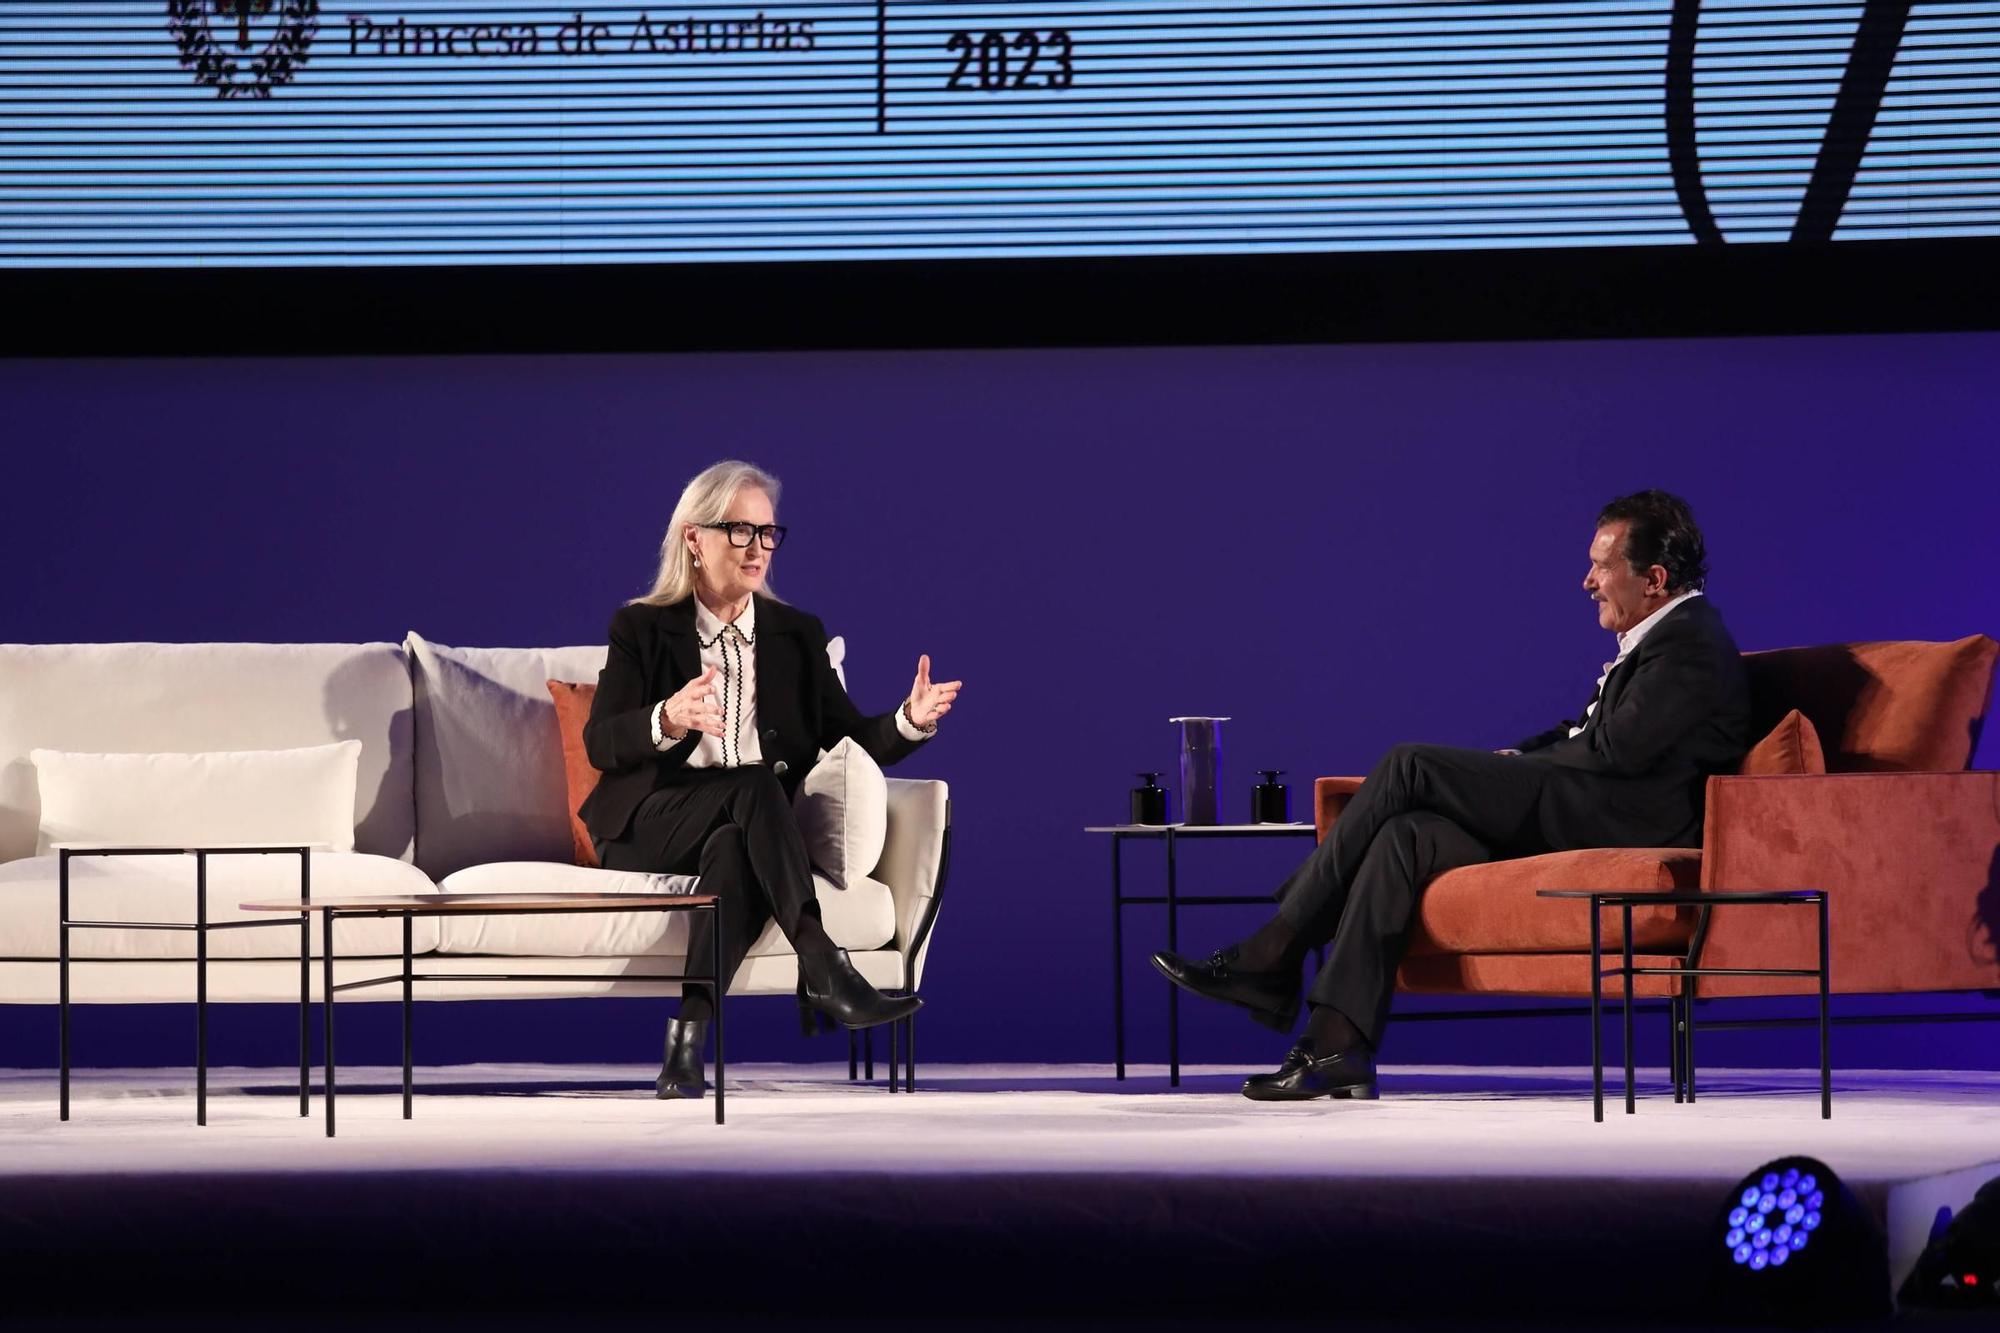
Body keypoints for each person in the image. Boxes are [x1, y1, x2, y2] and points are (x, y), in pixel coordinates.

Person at [1151, 490, 1751, 1102]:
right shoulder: (1666, 638)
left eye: (1602, 566)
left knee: (1409, 764)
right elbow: (1587, 732)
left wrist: (1522, 771)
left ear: (1653, 578)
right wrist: (1518, 759)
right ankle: (1338, 1042)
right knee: (1403, 837)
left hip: (1621, 819)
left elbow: (1614, 753)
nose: (1587, 581)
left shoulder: (1691, 642)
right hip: (1590, 801)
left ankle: (1275, 948)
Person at [581, 460, 964, 1101]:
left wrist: (908, 720)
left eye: (767, 533)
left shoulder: (796, 636)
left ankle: (686, 1044)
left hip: (746, 828)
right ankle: (823, 965)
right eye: (739, 531)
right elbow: (599, 744)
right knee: (755, 788)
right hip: (652, 819)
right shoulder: (642, 629)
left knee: (739, 845)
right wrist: (667, 718)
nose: (758, 548)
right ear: (694, 540)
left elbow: (852, 740)